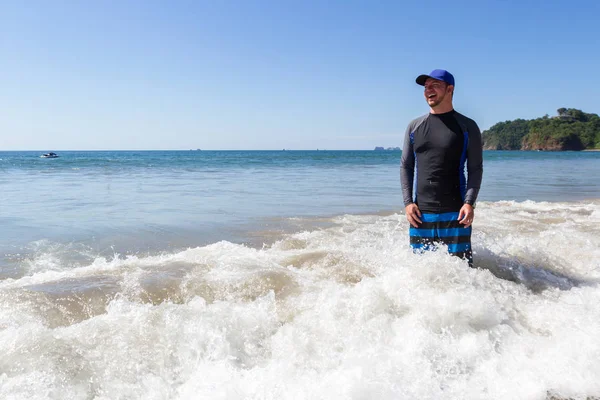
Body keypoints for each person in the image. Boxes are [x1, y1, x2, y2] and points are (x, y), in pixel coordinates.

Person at [400, 69, 483, 265]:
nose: (428, 90)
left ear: (450, 89)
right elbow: (406, 166)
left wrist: (469, 203)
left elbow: (475, 168)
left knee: (462, 274)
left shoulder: (467, 126)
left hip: (456, 214)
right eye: (426, 87)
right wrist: (407, 203)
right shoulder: (415, 126)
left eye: (434, 85)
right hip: (420, 215)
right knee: (421, 275)